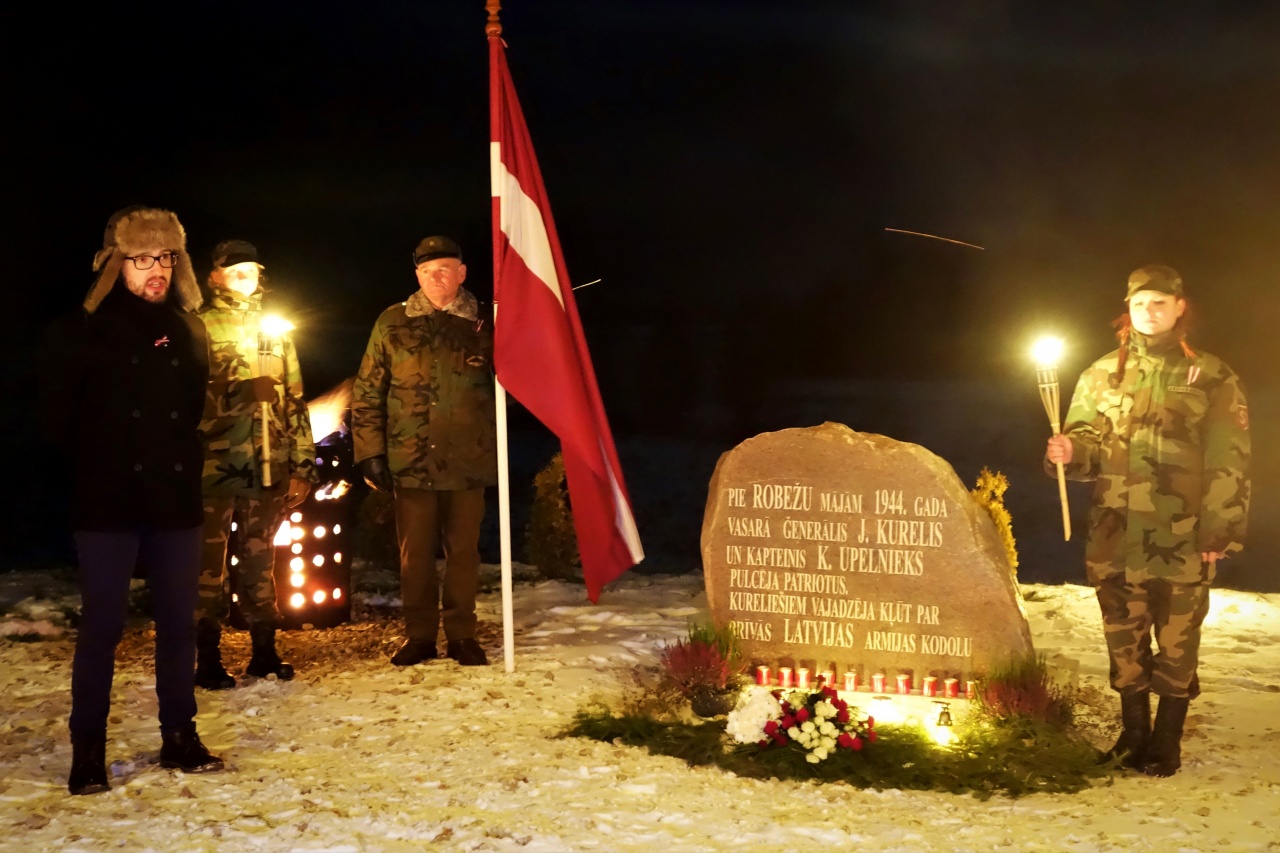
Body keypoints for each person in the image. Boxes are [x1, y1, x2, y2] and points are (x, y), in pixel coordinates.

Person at [39, 207, 224, 796]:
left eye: (165, 257)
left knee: (178, 624)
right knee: (103, 626)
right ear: (114, 264)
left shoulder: (190, 329)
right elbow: (56, 422)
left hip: (173, 498)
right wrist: (100, 463)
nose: (156, 269)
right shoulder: (78, 331)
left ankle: (180, 735)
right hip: (107, 501)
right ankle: (88, 749)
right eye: (142, 258)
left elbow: (191, 409)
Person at [1046, 264, 1250, 777]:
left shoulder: (1212, 376)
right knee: (1123, 634)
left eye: (1160, 302)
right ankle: (1133, 736)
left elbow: (1230, 456)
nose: (1149, 312)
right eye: (1140, 303)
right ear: (1128, 309)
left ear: (1180, 307)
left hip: (1182, 534)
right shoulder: (1100, 374)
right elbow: (1085, 447)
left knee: (1178, 639)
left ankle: (1167, 741)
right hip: (1115, 532)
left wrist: (1219, 528)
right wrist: (1068, 452)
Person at [352, 235, 496, 667]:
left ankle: (462, 635)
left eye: (445, 269)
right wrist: (369, 452)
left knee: (464, 554)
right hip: (410, 461)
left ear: (462, 273)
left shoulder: (485, 323)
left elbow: (514, 385)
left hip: (468, 461)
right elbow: (368, 392)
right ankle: (420, 636)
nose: (437, 278)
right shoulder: (393, 323)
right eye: (428, 271)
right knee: (414, 557)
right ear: (417, 275)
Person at [194, 240, 316, 689]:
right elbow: (185, 398)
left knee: (260, 561)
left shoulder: (274, 328)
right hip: (213, 466)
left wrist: (302, 465)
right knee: (206, 565)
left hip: (267, 464)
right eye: (234, 269)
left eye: (251, 268)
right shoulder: (198, 325)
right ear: (215, 277)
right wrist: (240, 394)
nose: (244, 275)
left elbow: (295, 399)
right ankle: (207, 657)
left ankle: (264, 651)